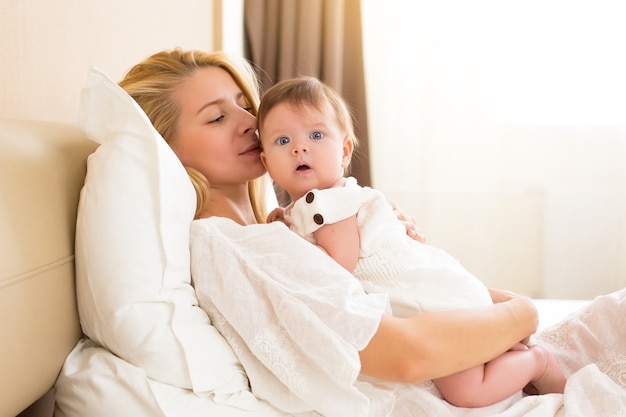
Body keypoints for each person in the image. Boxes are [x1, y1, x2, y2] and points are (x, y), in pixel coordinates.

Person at [118, 48, 539, 400]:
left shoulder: (280, 223)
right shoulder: (229, 243)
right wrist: (521, 310)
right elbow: (407, 353)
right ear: (166, 149)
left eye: (245, 105)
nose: (249, 121)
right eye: (216, 117)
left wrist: (382, 229)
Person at [256, 75, 566, 407]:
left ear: (345, 151)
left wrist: (286, 240)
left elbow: (337, 266)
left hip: (434, 302)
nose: (300, 147)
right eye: (283, 141)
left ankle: (537, 361)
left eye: (316, 135)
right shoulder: (305, 208)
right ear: (266, 164)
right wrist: (282, 223)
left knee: (467, 390)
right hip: (423, 302)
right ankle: (508, 352)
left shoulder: (331, 202)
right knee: (465, 372)